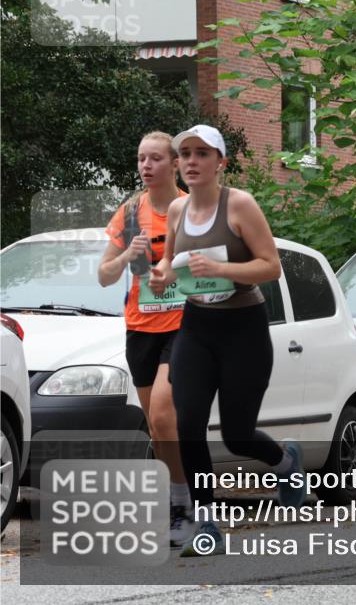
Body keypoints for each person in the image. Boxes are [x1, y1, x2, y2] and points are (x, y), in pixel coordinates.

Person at [149, 124, 304, 556]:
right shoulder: (178, 212)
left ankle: (286, 463)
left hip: (244, 328)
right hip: (197, 326)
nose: (192, 161)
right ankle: (207, 523)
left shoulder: (239, 205)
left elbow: (271, 267)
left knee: (237, 434)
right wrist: (161, 279)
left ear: (221, 162)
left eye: (202, 153)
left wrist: (221, 270)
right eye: (185, 154)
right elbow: (168, 266)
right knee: (188, 426)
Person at [99, 131, 193, 546]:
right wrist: (126, 253)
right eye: (141, 159)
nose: (146, 166)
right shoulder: (130, 212)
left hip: (185, 324)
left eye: (155, 158)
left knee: (160, 413)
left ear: (173, 163)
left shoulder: (191, 208)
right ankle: (181, 495)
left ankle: (180, 506)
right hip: (140, 327)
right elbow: (104, 276)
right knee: (158, 429)